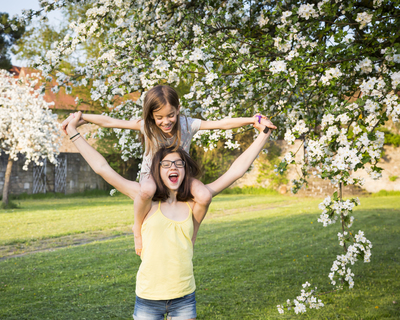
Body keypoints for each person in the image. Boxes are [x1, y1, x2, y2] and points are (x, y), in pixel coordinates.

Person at [65, 110, 274, 320]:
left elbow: (236, 171)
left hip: (184, 298)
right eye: (165, 164)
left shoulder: (194, 202)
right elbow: (102, 168)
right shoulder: (145, 200)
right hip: (148, 298)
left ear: (185, 169)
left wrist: (263, 134)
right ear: (157, 170)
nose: (172, 167)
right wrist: (74, 133)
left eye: (178, 163)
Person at [62, 85, 276, 256]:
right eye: (160, 117)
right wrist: (82, 118)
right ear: (151, 116)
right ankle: (137, 230)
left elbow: (222, 124)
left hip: (181, 174)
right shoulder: (147, 126)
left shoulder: (187, 124)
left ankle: (191, 236)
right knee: (145, 192)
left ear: (178, 110)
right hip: (152, 174)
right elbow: (109, 121)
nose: (166, 122)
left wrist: (252, 120)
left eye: (170, 115)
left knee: (203, 195)